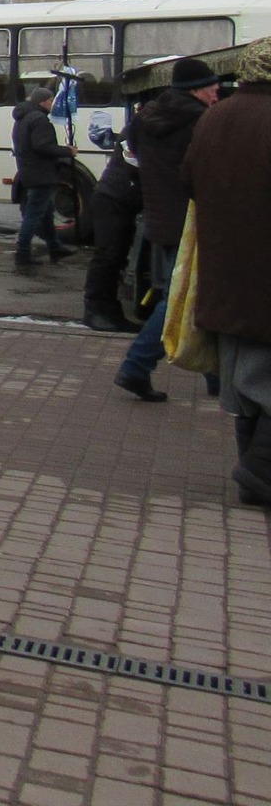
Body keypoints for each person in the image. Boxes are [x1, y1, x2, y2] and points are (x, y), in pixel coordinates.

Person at [180, 38, 271, 503]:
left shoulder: (216, 116)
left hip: (225, 273)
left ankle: (254, 477)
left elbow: (188, 182)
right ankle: (258, 474)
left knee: (245, 386)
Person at [115, 57, 219, 403]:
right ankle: (136, 365)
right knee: (181, 299)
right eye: (214, 89)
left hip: (159, 219)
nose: (217, 95)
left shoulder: (147, 117)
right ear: (197, 90)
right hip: (189, 222)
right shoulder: (200, 122)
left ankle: (216, 379)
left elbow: (128, 149)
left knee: (189, 295)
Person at [80, 116, 143, 333]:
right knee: (107, 255)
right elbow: (134, 163)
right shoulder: (137, 130)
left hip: (120, 199)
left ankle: (110, 311)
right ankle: (95, 310)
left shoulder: (141, 126)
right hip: (113, 199)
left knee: (115, 256)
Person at [11, 80, 74, 267]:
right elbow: (42, 146)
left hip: (29, 170)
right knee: (33, 215)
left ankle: (55, 247)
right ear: (43, 102)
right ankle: (22, 253)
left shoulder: (23, 117)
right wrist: (67, 151)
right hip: (40, 173)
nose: (52, 103)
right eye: (50, 100)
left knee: (46, 212)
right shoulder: (39, 119)